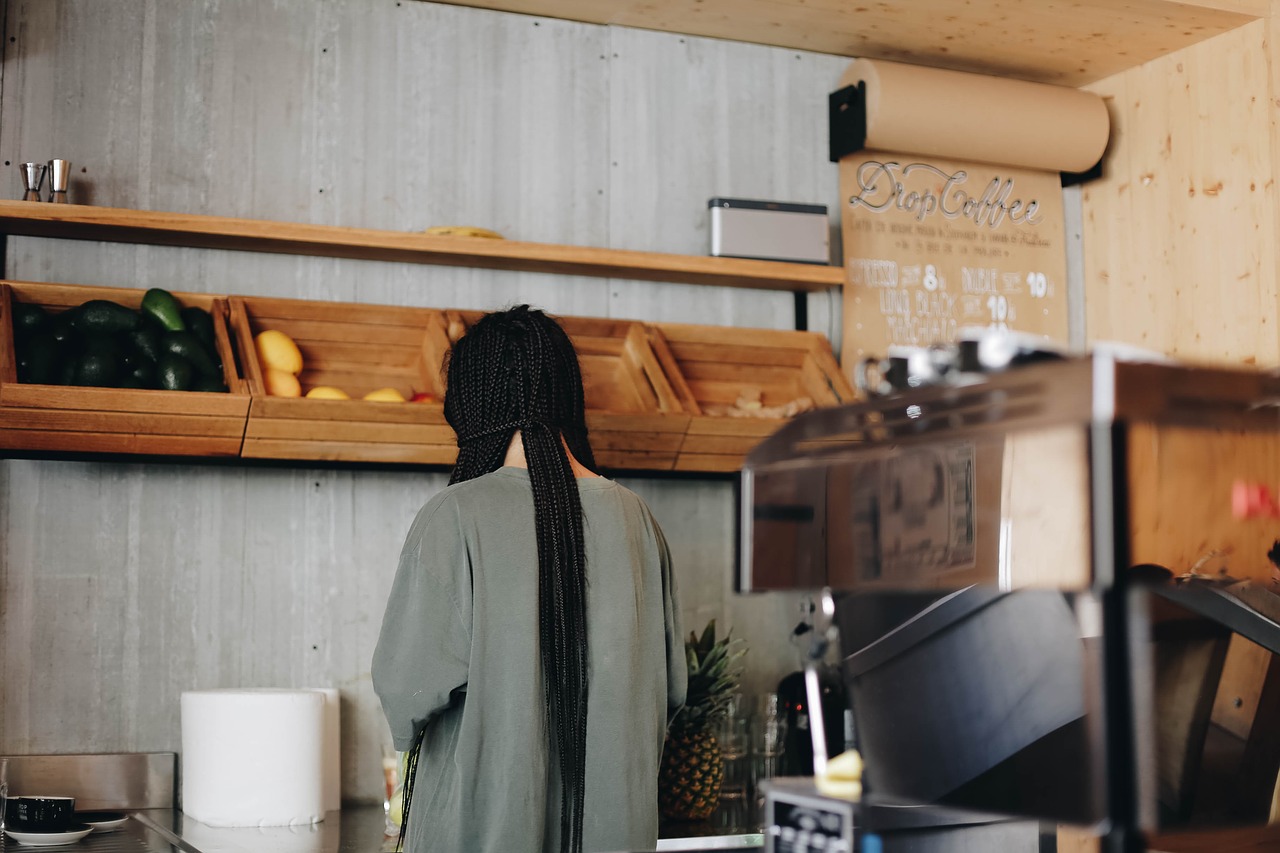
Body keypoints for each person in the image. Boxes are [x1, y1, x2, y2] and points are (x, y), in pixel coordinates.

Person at [372, 305, 686, 853]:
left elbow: (406, 691)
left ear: (471, 405)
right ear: (567, 397)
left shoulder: (455, 515)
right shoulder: (638, 520)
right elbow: (673, 690)